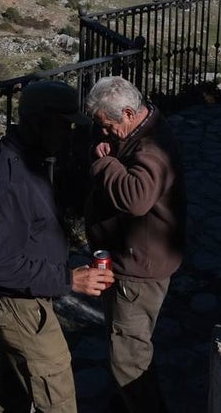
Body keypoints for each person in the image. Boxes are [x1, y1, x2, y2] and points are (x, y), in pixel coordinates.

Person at [0, 79, 116, 413]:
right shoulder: (12, 178)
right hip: (21, 308)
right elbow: (0, 264)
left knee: (11, 392)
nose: (69, 134)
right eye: (64, 125)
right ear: (40, 121)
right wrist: (70, 280)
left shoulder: (22, 156)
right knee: (57, 397)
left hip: (25, 301)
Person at [83, 76, 187, 413]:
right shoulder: (147, 128)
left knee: (127, 357)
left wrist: (103, 164)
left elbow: (136, 197)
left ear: (128, 113)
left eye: (108, 125)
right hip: (138, 259)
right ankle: (126, 404)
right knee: (133, 345)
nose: (104, 132)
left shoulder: (152, 147)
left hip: (138, 269)